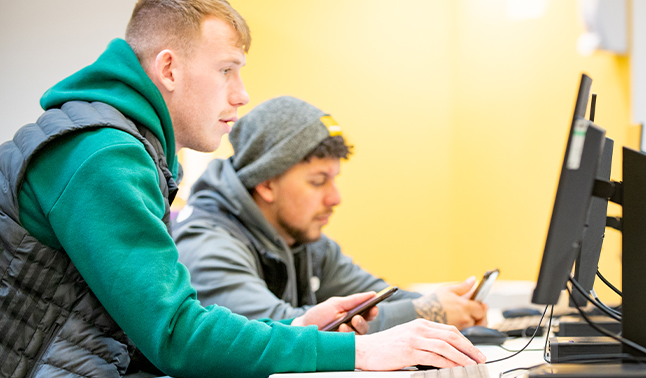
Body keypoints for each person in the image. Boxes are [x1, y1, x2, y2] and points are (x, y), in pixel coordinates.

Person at [0, 1, 483, 376]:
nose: (241, 94)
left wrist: (295, 330)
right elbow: (175, 336)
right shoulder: (103, 155)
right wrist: (360, 349)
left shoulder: (124, 150)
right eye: (227, 69)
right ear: (169, 69)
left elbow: (149, 333)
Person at [174, 96, 488, 332]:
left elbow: (376, 298)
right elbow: (279, 332)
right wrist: (426, 313)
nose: (335, 198)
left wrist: (450, 303)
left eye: (334, 180)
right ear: (267, 183)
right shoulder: (207, 245)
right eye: (318, 181)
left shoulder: (305, 240)